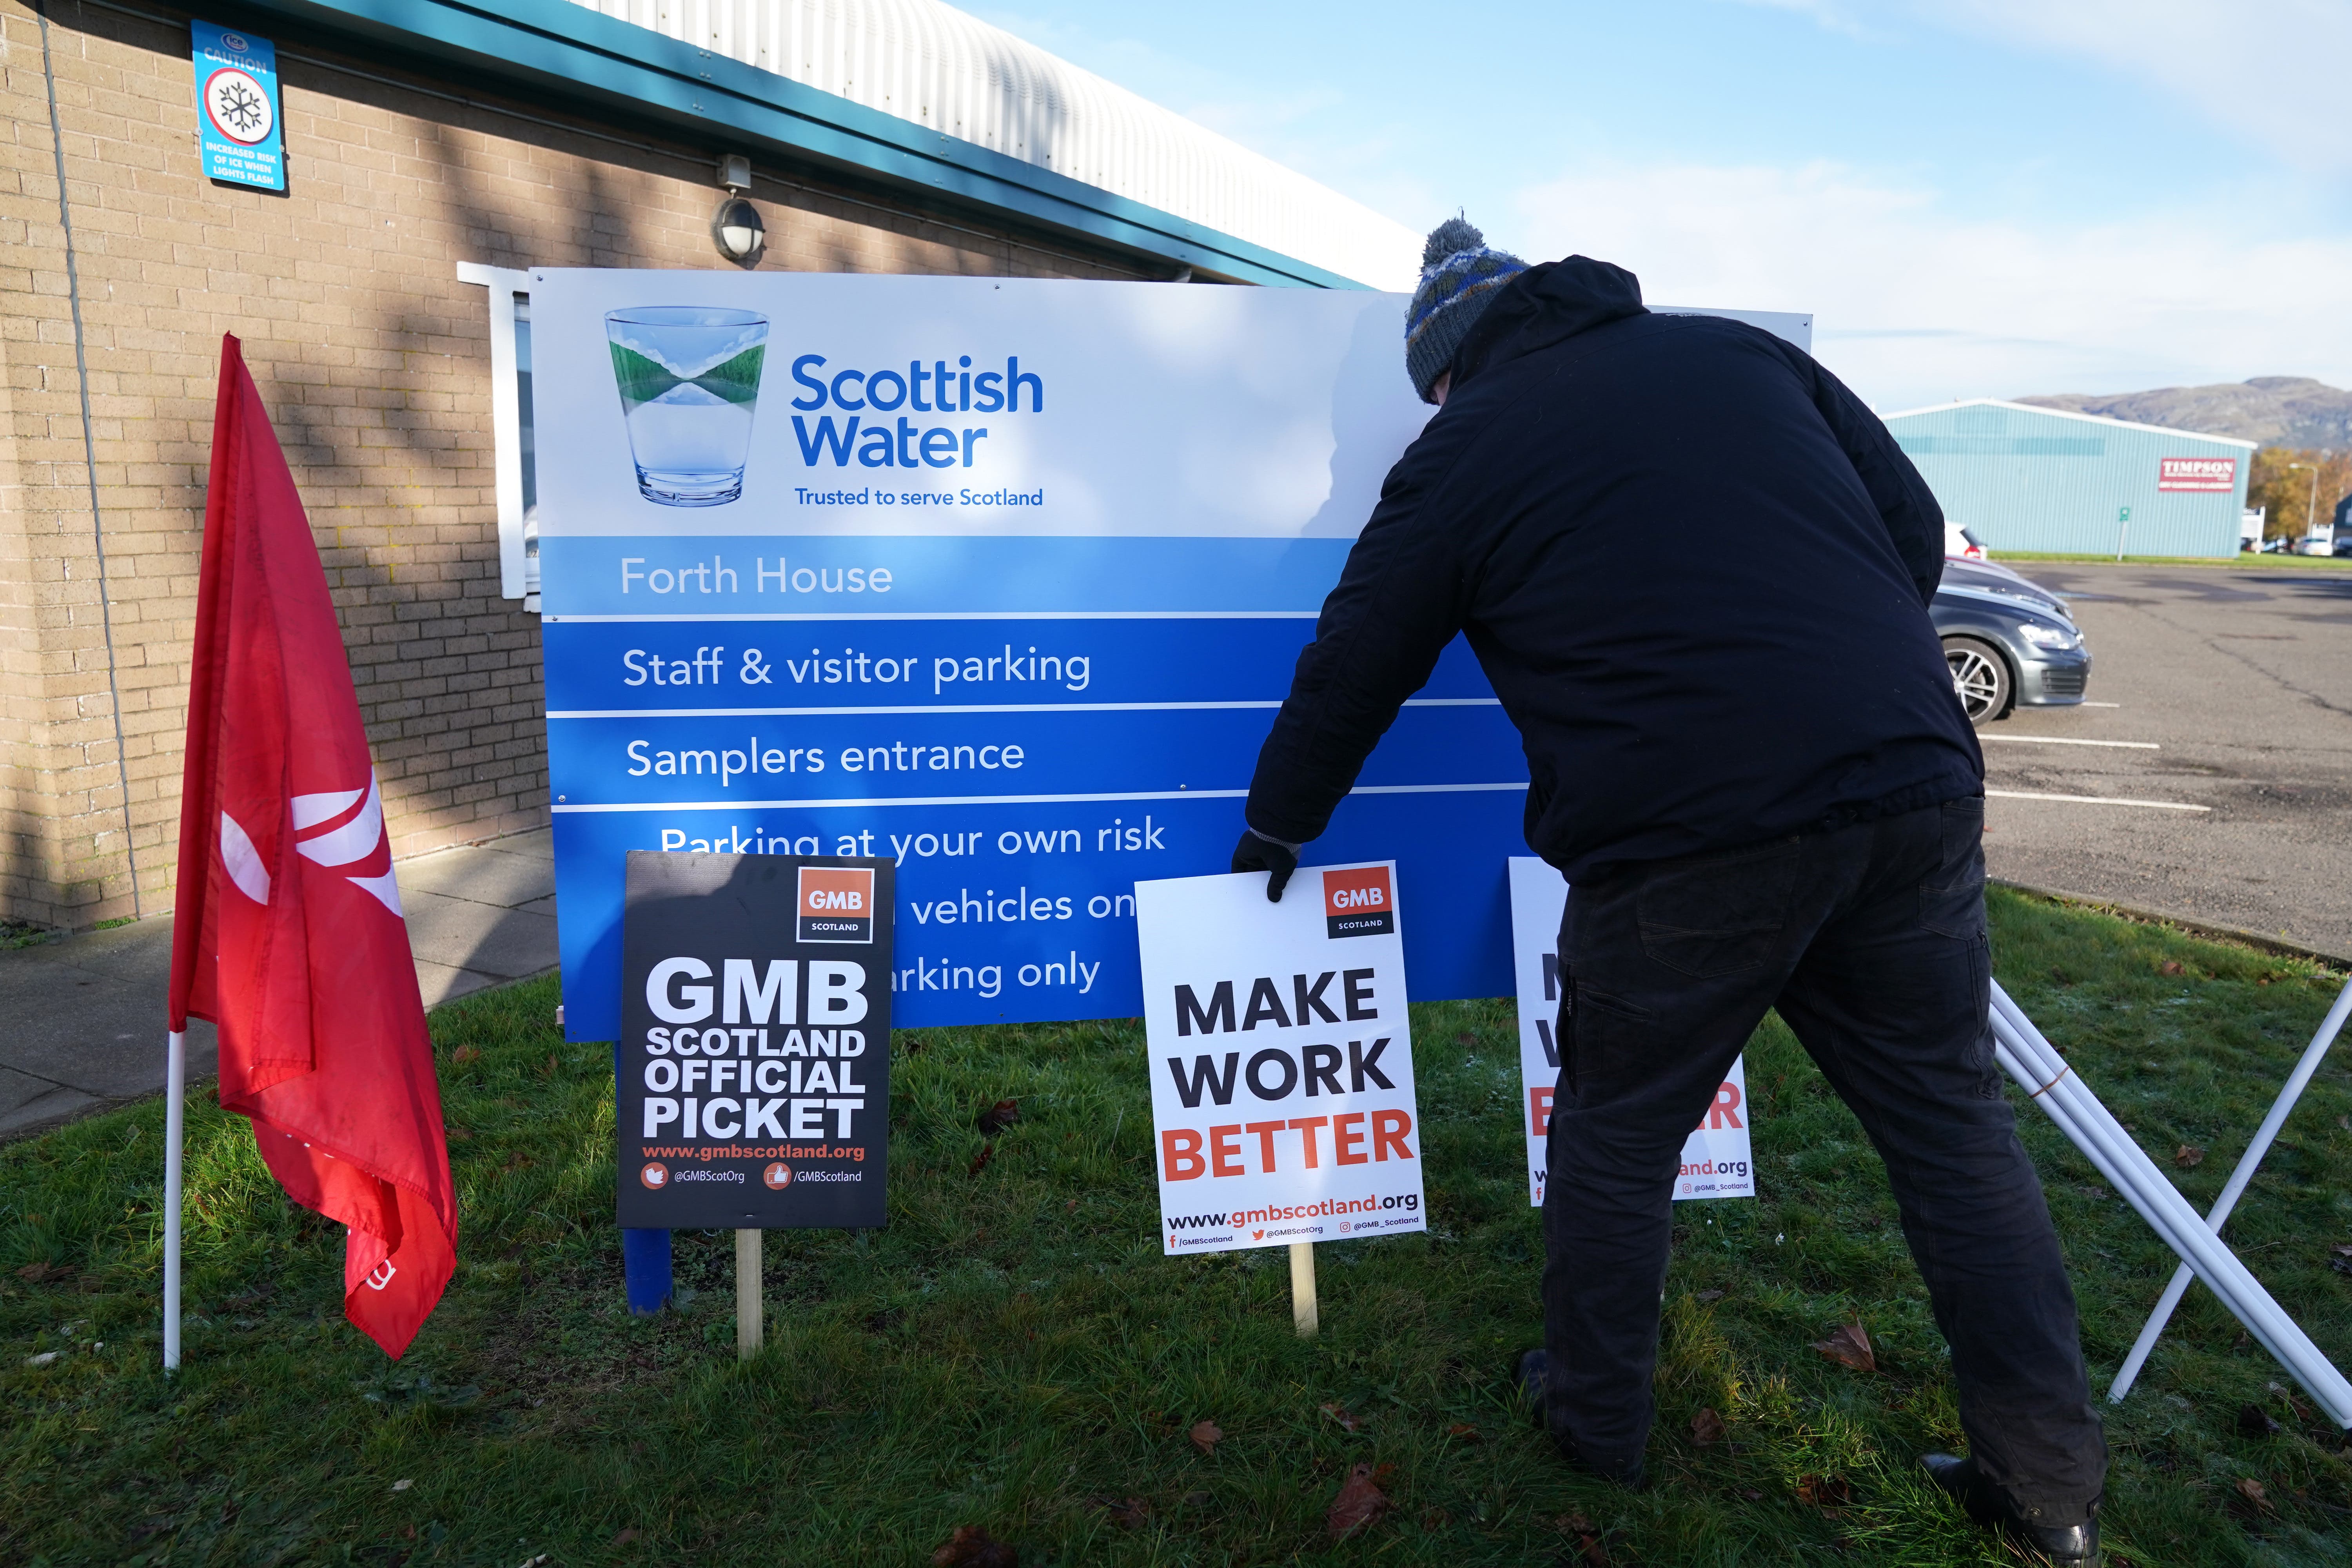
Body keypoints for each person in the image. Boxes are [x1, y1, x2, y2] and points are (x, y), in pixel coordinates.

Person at [1232, 219, 2106, 1564]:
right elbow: (1914, 534)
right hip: (1913, 783)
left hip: (1686, 840)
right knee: (1953, 1132)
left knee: (1620, 1130)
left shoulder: (1461, 450)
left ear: (1452, 370)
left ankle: (1593, 1425)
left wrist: (1274, 829)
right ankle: (2048, 1491)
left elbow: (1358, 659)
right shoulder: (1741, 358)